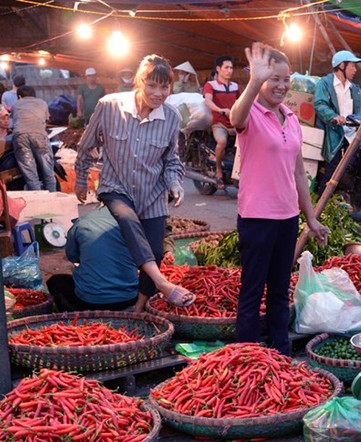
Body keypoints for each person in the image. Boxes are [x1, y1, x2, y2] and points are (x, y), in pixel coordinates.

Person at [230, 42, 329, 356]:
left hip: (287, 217)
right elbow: (235, 116)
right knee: (252, 290)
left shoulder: (291, 118)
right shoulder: (252, 115)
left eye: (286, 79)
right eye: (274, 79)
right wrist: (255, 81)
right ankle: (247, 356)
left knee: (279, 291)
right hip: (257, 217)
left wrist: (310, 217)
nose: (282, 85)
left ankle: (280, 354)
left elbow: (299, 173)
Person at [74, 54, 195, 309]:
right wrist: (81, 179)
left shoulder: (171, 117)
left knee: (156, 252)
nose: (159, 93)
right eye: (152, 85)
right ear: (139, 82)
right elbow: (86, 146)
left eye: (165, 87)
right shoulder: (109, 106)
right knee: (128, 220)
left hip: (152, 194)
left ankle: (139, 308)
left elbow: (171, 160)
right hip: (115, 187)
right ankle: (163, 284)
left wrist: (174, 183)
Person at [46, 206, 141, 312]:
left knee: (55, 281)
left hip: (90, 301)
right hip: (129, 298)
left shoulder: (83, 222)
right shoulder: (134, 221)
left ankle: (74, 317)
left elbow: (73, 256)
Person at [314, 50, 361, 163]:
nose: (355, 70)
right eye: (352, 66)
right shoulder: (324, 83)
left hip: (353, 136)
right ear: (342, 66)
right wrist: (334, 116)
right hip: (334, 135)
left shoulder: (354, 88)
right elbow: (320, 104)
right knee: (333, 174)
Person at [203, 55, 242, 189]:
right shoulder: (210, 85)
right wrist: (220, 110)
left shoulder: (235, 86)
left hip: (235, 123)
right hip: (219, 123)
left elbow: (243, 101)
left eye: (231, 68)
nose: (229, 70)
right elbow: (208, 101)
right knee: (222, 141)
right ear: (218, 69)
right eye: (226, 67)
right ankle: (218, 171)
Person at [12, 85, 57, 192]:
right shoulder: (42, 103)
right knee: (48, 171)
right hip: (39, 136)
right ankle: (52, 199)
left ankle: (38, 199)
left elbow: (15, 120)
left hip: (20, 136)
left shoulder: (16, 104)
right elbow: (46, 119)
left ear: (19, 96)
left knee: (30, 173)